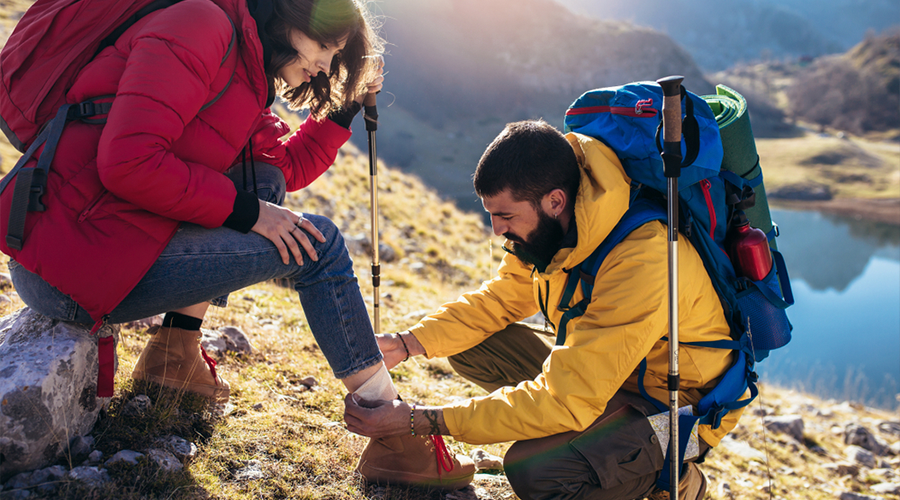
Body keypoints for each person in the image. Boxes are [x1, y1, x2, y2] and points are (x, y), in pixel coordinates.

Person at [0, 0, 473, 489]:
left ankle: (173, 354)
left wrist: (348, 102)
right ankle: (393, 433)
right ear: (291, 15)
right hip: (72, 256)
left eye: (334, 60)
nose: (324, 67)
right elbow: (128, 162)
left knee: (262, 180)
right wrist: (253, 215)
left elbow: (283, 169)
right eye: (325, 48)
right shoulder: (200, 27)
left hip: (106, 236)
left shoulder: (244, 65)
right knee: (321, 246)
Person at [344, 119, 748, 499]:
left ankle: (679, 477)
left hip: (681, 410)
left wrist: (419, 419)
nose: (497, 230)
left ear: (555, 200)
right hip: (609, 375)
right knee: (471, 343)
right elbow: (499, 301)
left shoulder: (643, 259)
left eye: (505, 216)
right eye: (491, 215)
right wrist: (407, 343)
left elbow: (566, 399)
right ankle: (595, 440)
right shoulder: (549, 230)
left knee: (536, 470)